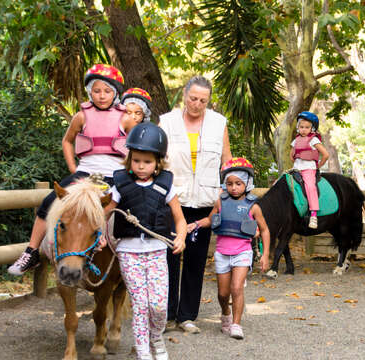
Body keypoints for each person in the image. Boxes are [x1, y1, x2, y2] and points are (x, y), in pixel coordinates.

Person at [8, 64, 127, 275]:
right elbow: (67, 141)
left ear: (115, 93)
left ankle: (134, 255)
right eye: (97, 90)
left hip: (114, 174)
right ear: (90, 91)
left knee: (133, 203)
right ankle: (32, 251)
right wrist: (73, 167)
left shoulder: (125, 118)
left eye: (107, 91)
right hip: (84, 173)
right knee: (48, 201)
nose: (101, 96)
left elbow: (136, 148)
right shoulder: (81, 117)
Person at [104, 122, 187, 360]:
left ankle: (156, 337)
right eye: (137, 160)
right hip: (129, 252)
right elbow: (105, 213)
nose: (141, 166)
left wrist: (180, 237)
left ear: (158, 162)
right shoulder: (120, 186)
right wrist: (100, 234)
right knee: (140, 304)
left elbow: (179, 220)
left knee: (159, 306)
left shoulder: (165, 187)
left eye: (147, 162)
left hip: (157, 251)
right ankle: (143, 352)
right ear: (130, 158)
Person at [158, 75, 232, 334]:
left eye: (203, 100)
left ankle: (187, 315)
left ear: (208, 101)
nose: (197, 104)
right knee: (168, 257)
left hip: (204, 202)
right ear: (184, 96)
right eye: (193, 98)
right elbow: (158, 160)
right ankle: (166, 314)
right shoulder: (166, 121)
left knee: (196, 260)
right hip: (173, 201)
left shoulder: (218, 123)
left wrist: (224, 194)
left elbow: (227, 160)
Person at [187, 157, 270, 339]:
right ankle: (226, 313)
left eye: (238, 183)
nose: (233, 187)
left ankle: (236, 325)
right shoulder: (220, 202)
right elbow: (210, 219)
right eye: (230, 183)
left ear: (247, 183)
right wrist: (195, 224)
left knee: (236, 288)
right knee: (223, 293)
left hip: (242, 252)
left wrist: (265, 255)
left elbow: (264, 230)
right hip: (222, 253)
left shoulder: (253, 206)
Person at [289, 111, 330, 229]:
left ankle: (313, 214)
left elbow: (325, 154)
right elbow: (292, 155)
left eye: (307, 127)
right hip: (296, 169)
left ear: (312, 128)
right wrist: (297, 162)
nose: (303, 129)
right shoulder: (295, 141)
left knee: (310, 187)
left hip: (308, 169)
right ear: (298, 127)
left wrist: (318, 165)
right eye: (301, 127)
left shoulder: (314, 140)